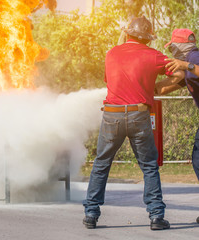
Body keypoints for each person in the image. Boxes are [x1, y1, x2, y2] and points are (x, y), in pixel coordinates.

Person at [83, 16, 183, 230]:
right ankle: (156, 216)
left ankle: (91, 214)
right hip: (139, 115)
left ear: (127, 33)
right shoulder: (155, 55)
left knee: (101, 164)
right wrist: (161, 86)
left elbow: (111, 81)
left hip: (112, 114)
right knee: (148, 166)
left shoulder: (111, 53)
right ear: (148, 39)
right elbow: (180, 74)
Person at [155, 28, 199, 224]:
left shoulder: (194, 57)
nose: (172, 52)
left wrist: (185, 64)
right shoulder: (187, 70)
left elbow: (192, 67)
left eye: (173, 47)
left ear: (180, 46)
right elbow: (163, 87)